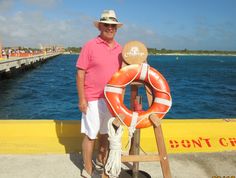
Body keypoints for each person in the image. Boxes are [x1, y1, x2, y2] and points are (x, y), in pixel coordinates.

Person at [76, 10, 123, 178]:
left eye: (113, 26)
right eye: (106, 25)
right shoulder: (90, 45)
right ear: (100, 26)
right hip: (92, 98)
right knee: (90, 134)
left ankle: (101, 160)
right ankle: (87, 168)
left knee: (105, 133)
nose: (110, 28)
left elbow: (126, 73)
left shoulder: (120, 49)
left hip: (111, 100)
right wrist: (82, 99)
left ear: (116, 28)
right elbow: (80, 73)